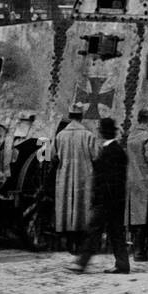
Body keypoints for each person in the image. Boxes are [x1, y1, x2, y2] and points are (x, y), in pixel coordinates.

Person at [70, 116, 130, 274]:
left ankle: (81, 263)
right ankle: (122, 264)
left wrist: (98, 199)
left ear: (102, 133)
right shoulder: (117, 151)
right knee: (116, 232)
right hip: (116, 200)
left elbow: (107, 180)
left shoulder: (109, 152)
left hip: (105, 201)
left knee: (94, 231)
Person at [50, 104, 99, 252]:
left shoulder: (60, 136)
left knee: (67, 207)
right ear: (81, 117)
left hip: (64, 177)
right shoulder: (89, 135)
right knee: (82, 207)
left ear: (70, 116)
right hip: (83, 178)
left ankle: (68, 241)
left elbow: (51, 157)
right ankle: (79, 243)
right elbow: (96, 157)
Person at [124, 108, 148, 262]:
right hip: (147, 180)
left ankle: (137, 249)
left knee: (136, 217)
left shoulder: (131, 136)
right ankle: (140, 252)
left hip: (132, 179)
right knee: (147, 217)